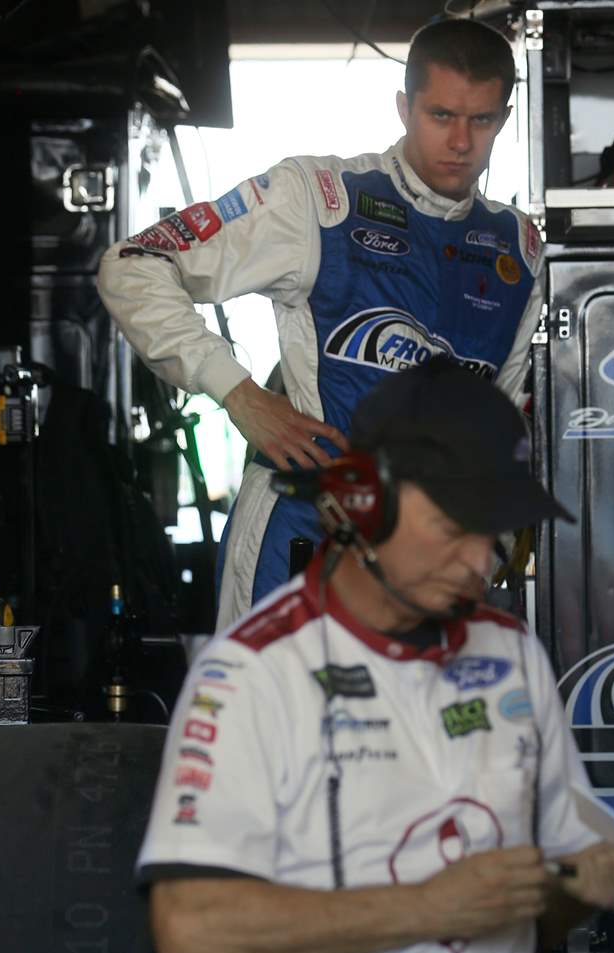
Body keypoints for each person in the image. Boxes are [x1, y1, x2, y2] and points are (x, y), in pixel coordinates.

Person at [135, 362, 614, 953]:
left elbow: (546, 902)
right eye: (453, 529)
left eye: (496, 534)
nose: (479, 562)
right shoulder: (252, 673)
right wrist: (429, 908)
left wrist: (587, 881)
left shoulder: (511, 654)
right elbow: (188, 926)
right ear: (362, 506)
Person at [97, 18, 546, 629]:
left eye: (482, 120)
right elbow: (134, 265)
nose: (461, 141)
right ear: (404, 108)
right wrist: (239, 394)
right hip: (298, 543)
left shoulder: (518, 248)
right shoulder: (318, 198)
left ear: (506, 118)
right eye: (441, 115)